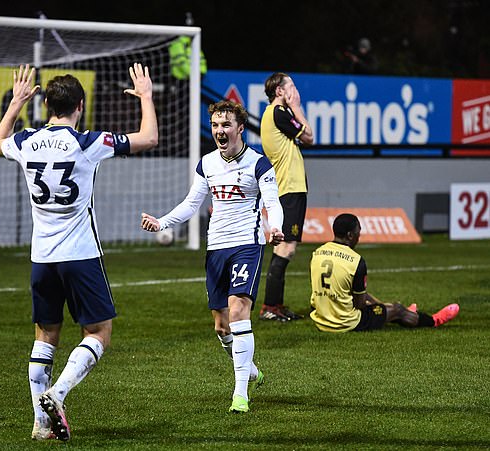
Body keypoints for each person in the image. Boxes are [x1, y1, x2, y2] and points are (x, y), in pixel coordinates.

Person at [0, 63, 157, 441]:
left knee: (45, 335)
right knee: (99, 331)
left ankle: (40, 424)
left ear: (46, 103)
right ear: (80, 106)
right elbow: (149, 138)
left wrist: (16, 103)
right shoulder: (88, 143)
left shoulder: (26, 141)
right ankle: (58, 393)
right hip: (80, 255)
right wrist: (146, 96)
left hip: (41, 258)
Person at [141, 100, 284, 414]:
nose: (220, 131)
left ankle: (240, 394)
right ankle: (251, 369)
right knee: (222, 327)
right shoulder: (206, 163)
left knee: (238, 311)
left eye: (226, 125)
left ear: (240, 129)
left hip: (247, 244)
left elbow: (273, 201)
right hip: (216, 248)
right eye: (216, 125)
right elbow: (192, 203)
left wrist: (276, 227)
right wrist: (162, 222)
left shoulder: (259, 163)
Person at [310, 213, 460, 332]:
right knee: (397, 310)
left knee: (380, 306)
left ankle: (399, 311)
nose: (358, 237)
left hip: (321, 320)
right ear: (350, 235)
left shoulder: (317, 253)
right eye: (358, 233)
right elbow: (360, 305)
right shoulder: (356, 261)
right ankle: (433, 320)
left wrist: (381, 306)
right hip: (345, 323)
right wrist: (384, 309)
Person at [258, 72, 314, 322]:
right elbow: (310, 137)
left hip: (288, 187)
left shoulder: (277, 115)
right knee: (286, 247)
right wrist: (297, 107)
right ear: (280, 91)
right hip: (288, 188)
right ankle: (270, 307)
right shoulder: (279, 113)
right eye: (290, 86)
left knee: (284, 246)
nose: (295, 90)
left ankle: (275, 305)